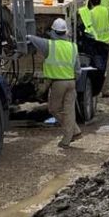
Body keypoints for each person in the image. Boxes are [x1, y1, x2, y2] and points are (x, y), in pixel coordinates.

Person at [27, 18, 81, 148]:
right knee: (69, 111)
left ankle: (71, 133)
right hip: (71, 82)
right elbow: (78, 69)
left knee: (54, 109)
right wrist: (73, 80)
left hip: (58, 83)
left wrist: (26, 35)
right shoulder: (73, 46)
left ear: (54, 32)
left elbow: (35, 40)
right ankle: (73, 133)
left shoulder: (49, 45)